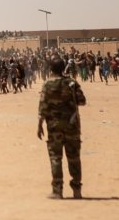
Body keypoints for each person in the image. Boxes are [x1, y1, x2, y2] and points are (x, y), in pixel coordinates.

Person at [37, 57, 86, 199]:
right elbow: (82, 101)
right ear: (63, 68)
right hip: (72, 126)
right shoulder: (71, 83)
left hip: (54, 127)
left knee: (55, 158)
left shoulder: (47, 84)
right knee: (74, 158)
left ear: (50, 69)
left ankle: (57, 190)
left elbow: (43, 107)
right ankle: (77, 189)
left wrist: (39, 125)